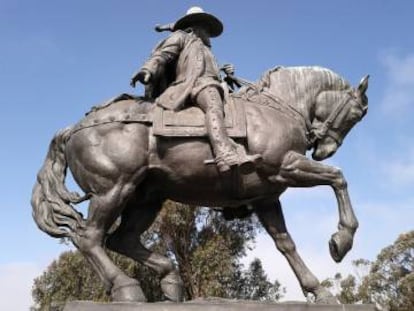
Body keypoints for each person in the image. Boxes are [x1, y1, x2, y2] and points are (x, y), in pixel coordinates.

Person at [130, 7, 261, 173]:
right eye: (205, 28)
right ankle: (224, 153)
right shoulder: (182, 37)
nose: (208, 33)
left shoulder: (206, 50)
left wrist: (226, 75)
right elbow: (163, 54)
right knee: (213, 104)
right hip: (194, 85)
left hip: (211, 84)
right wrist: (148, 69)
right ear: (195, 26)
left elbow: (208, 71)